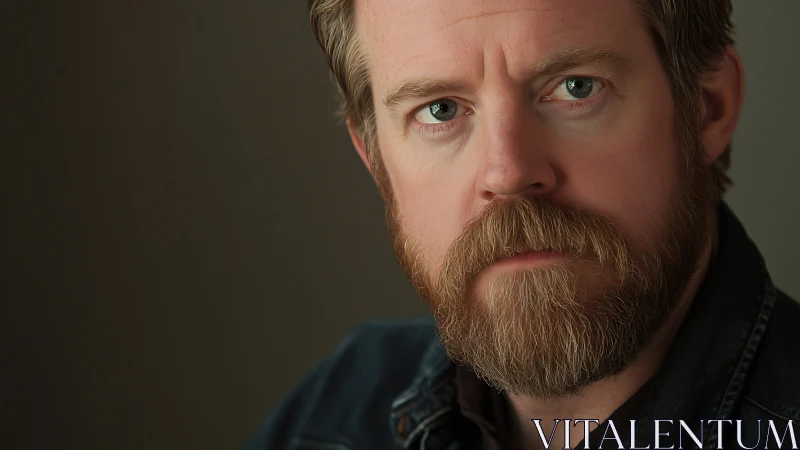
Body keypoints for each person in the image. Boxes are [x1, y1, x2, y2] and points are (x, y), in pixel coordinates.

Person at [245, 0, 800, 449]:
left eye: (576, 87)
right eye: (440, 109)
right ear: (375, 160)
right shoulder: (335, 410)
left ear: (708, 108)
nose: (507, 173)